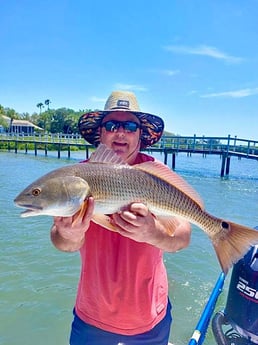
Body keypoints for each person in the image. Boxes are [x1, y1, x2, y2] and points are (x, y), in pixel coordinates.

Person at [50, 91, 191, 345]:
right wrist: (69, 234)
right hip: (92, 317)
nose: (120, 133)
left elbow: (183, 238)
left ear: (139, 134)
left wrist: (154, 234)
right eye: (112, 125)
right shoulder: (76, 179)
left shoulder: (159, 176)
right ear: (101, 133)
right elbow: (63, 243)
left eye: (129, 126)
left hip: (150, 320)